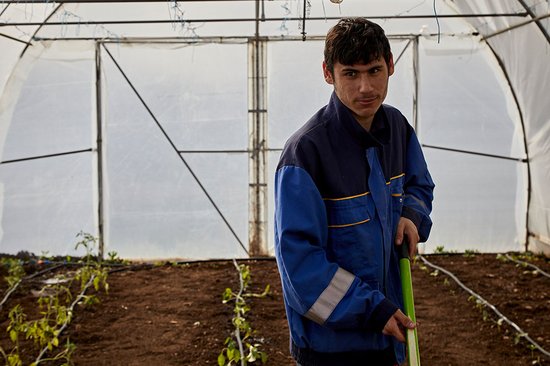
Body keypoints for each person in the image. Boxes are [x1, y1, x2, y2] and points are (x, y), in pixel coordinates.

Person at [273, 18, 435, 366]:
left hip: (388, 336)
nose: (366, 87)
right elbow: (300, 265)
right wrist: (372, 309)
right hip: (331, 348)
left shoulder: (397, 129)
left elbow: (418, 185)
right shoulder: (306, 154)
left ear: (391, 65)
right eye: (350, 74)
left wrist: (411, 216)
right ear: (328, 74)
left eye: (375, 70)